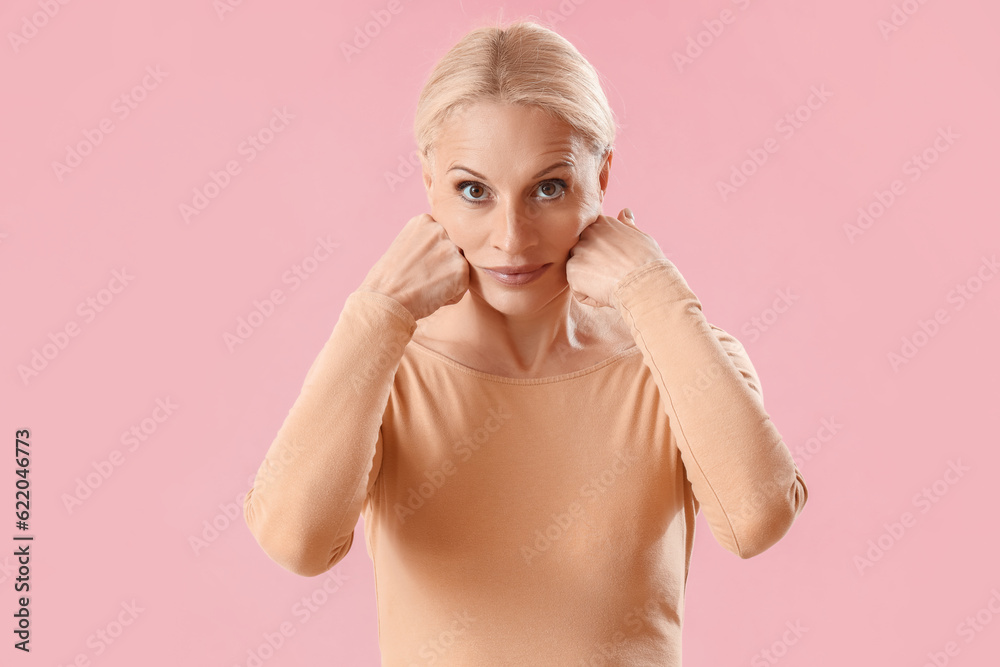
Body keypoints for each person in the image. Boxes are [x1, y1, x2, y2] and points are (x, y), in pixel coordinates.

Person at [244, 18, 808, 666]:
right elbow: (295, 542)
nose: (511, 237)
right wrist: (378, 312)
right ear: (429, 184)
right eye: (473, 191)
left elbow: (757, 518)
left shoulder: (673, 355)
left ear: (602, 176)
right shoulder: (387, 368)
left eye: (549, 187)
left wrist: (655, 294)